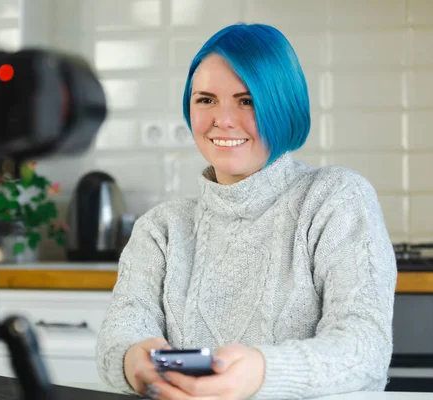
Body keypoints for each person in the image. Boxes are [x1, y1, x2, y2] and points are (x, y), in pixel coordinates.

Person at [95, 22, 397, 400]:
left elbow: (364, 349)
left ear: (282, 107)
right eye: (206, 99)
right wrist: (129, 359)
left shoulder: (335, 197)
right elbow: (122, 332)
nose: (222, 119)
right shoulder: (161, 228)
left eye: (247, 100)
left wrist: (262, 373)